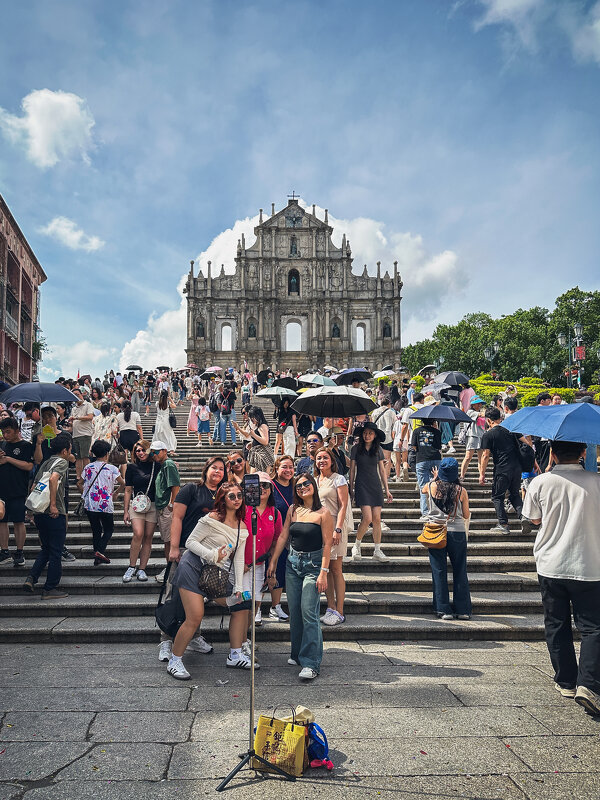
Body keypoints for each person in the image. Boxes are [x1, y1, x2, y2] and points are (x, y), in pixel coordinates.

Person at [522, 440, 600, 715]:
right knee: (593, 627)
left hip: (551, 563)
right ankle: (589, 684)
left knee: (556, 622)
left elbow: (533, 519)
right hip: (590, 564)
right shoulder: (596, 482)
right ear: (583, 453)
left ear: (552, 454)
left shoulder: (540, 482)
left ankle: (566, 680)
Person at [167, 483, 249, 679]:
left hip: (215, 574)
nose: (237, 499)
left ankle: (235, 654)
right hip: (193, 567)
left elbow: (238, 558)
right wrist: (212, 554)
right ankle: (175, 660)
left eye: (239, 495)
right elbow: (190, 542)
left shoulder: (242, 525)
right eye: (232, 496)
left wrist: (238, 586)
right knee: (195, 616)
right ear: (223, 499)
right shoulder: (210, 519)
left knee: (241, 604)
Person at [158, 455, 228, 662]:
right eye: (214, 468)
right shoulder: (191, 490)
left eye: (221, 469)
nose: (217, 472)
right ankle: (166, 639)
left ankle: (194, 636)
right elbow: (177, 517)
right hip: (186, 549)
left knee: (198, 596)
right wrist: (173, 547)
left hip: (211, 554)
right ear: (206, 469)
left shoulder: (225, 494)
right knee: (174, 595)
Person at [267, 474, 333, 680]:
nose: (302, 487)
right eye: (298, 486)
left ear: (313, 485)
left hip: (313, 566)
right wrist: (274, 560)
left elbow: (328, 545)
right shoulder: (293, 510)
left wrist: (324, 572)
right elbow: (284, 535)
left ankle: (311, 662)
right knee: (294, 610)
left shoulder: (324, 513)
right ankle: (296, 653)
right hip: (293, 564)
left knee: (308, 612)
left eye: (306, 484)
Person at [23, 432, 72, 599]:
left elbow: (33, 488)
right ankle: (50, 588)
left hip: (39, 512)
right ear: (65, 450)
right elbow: (53, 480)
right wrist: (53, 505)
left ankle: (32, 577)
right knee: (56, 551)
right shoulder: (62, 462)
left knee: (46, 548)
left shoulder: (46, 462)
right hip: (53, 512)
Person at [421, 458, 472, 619]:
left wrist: (436, 478)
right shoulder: (461, 491)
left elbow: (423, 490)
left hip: (436, 531)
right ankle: (463, 609)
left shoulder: (430, 486)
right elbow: (465, 515)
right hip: (456, 532)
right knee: (460, 570)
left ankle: (442, 608)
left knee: (439, 570)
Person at [315, 447, 352, 626]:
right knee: (326, 569)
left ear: (331, 460)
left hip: (336, 526)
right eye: (318, 458)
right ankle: (330, 607)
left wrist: (338, 529)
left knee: (336, 569)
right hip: (320, 528)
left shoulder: (338, 479)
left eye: (325, 457)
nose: (322, 460)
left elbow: (343, 505)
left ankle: (340, 610)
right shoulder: (315, 480)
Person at [243, 472, 283, 629]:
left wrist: (272, 569)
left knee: (256, 603)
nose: (261, 488)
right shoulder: (242, 508)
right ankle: (239, 643)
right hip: (241, 564)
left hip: (259, 564)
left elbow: (275, 543)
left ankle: (247, 640)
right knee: (242, 606)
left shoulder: (275, 513)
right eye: (257, 485)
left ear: (271, 489)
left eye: (265, 485)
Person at [350, 422, 393, 561]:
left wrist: (387, 489)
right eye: (365, 433)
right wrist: (351, 487)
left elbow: (381, 470)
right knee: (367, 518)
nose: (367, 435)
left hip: (375, 485)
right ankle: (356, 545)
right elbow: (352, 470)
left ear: (374, 436)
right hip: (362, 484)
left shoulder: (378, 449)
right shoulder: (355, 449)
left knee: (377, 519)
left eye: (370, 433)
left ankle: (377, 550)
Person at [479, 407, 525, 535]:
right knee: (514, 494)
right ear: (500, 418)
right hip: (516, 468)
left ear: (488, 420)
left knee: (497, 497)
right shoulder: (511, 430)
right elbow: (526, 443)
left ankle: (503, 524)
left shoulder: (488, 435)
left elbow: (485, 455)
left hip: (502, 469)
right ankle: (523, 517)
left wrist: (482, 474)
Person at [81, 439, 124, 565]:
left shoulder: (88, 467)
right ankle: (99, 551)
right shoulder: (112, 468)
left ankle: (97, 556)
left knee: (96, 530)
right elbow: (123, 483)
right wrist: (116, 493)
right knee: (109, 529)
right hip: (105, 503)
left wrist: (85, 493)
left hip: (90, 504)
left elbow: (80, 482)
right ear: (107, 453)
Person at [0, 417, 35, 566]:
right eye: (3, 432)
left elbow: (28, 466)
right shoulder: (2, 445)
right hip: (2, 489)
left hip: (18, 489)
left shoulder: (25, 446)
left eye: (8, 432)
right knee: (2, 521)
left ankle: (19, 552)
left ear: (16, 431)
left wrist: (8, 459)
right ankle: (4, 551)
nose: (5, 435)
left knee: (18, 521)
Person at [122, 440, 159, 582]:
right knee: (138, 533)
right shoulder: (131, 467)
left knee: (148, 536)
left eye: (143, 450)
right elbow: (127, 490)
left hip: (153, 505)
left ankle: (142, 568)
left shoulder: (157, 466)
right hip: (137, 505)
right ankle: (131, 566)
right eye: (138, 451)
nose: (141, 453)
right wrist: (125, 511)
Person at [268, 455, 294, 621]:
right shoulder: (270, 486)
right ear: (276, 469)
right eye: (284, 467)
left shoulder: (296, 487)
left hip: (290, 536)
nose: (288, 470)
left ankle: (275, 605)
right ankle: (257, 607)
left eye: (291, 467)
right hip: (270, 534)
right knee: (268, 570)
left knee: (282, 570)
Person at [151, 439, 181, 575]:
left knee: (169, 540)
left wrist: (171, 504)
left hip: (166, 508)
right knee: (167, 540)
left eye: (156, 452)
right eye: (152, 453)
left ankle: (171, 570)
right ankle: (170, 568)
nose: (154, 455)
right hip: (162, 506)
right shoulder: (164, 465)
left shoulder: (168, 464)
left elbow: (175, 486)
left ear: (164, 451)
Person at [411, 418, 442, 521]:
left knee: (423, 487)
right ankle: (437, 511)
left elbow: (414, 446)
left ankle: (425, 513)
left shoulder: (416, 431)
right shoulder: (437, 432)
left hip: (422, 459)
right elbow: (438, 446)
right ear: (434, 422)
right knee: (437, 486)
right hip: (436, 459)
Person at [234, 405, 273, 471]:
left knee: (258, 477)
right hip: (258, 454)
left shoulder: (262, 426)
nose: (251, 420)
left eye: (252, 418)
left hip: (262, 455)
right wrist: (252, 443)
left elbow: (265, 441)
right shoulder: (259, 426)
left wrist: (253, 435)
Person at [68, 387, 95, 480]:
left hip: (85, 434)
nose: (77, 397)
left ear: (82, 394)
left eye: (78, 394)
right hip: (76, 434)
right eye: (74, 395)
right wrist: (71, 422)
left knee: (85, 456)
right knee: (78, 457)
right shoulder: (74, 408)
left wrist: (76, 418)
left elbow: (90, 417)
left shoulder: (88, 405)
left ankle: (88, 476)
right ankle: (79, 476)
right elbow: (74, 421)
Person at [460, 396, 486, 480]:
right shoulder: (470, 412)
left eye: (480, 404)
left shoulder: (480, 412)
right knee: (468, 457)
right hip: (472, 435)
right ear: (473, 405)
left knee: (481, 458)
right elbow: (481, 414)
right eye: (478, 404)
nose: (479, 405)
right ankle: (462, 475)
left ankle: (481, 476)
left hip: (481, 436)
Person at [372, 398, 397, 479]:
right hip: (387, 438)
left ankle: (378, 476)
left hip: (376, 437)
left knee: (377, 458)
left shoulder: (375, 411)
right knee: (387, 458)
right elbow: (394, 424)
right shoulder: (391, 412)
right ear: (388, 404)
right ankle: (386, 476)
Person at [116, 400, 143, 466]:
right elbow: (139, 427)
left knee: (124, 455)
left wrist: (117, 434)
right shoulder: (136, 414)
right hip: (133, 435)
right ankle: (134, 469)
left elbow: (117, 427)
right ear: (131, 406)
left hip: (123, 435)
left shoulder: (119, 415)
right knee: (133, 454)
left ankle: (124, 472)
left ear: (122, 407)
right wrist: (142, 438)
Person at [154, 390, 178, 455]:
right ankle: (171, 450)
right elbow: (175, 406)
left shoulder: (157, 403)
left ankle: (159, 449)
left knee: (159, 435)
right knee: (169, 435)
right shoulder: (168, 403)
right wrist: (171, 399)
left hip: (159, 421)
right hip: (166, 421)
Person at [217, 381, 237, 446]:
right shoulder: (232, 393)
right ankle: (233, 441)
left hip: (223, 412)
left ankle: (223, 441)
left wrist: (221, 409)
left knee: (222, 427)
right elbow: (235, 400)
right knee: (232, 427)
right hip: (231, 410)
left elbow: (219, 403)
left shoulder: (221, 394)